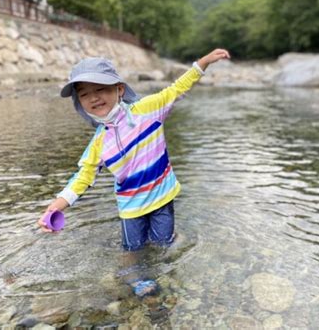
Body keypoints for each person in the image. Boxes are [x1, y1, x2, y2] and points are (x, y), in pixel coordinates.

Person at [38, 48, 230, 296]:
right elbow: (82, 179)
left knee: (163, 245)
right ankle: (133, 279)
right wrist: (55, 207)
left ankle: (166, 271)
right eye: (85, 94)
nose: (94, 98)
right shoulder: (98, 143)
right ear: (79, 103)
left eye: (101, 89)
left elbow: (176, 89)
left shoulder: (148, 110)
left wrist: (202, 63)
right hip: (131, 208)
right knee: (132, 248)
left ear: (119, 89)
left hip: (162, 197)